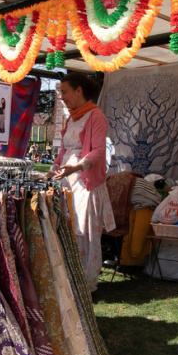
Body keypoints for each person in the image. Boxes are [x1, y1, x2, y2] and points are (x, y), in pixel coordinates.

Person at [45, 73, 115, 291]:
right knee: (67, 228)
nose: (62, 97)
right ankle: (69, 278)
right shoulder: (71, 118)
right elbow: (63, 151)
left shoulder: (96, 116)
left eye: (65, 92)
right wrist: (50, 172)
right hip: (67, 181)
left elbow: (98, 152)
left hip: (85, 183)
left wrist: (76, 167)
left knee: (85, 233)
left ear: (79, 90)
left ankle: (87, 284)